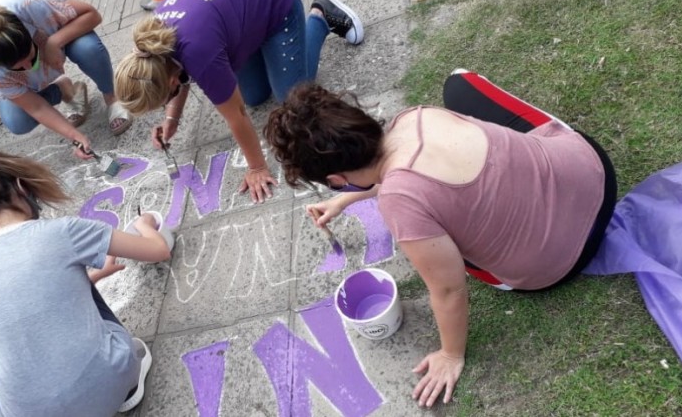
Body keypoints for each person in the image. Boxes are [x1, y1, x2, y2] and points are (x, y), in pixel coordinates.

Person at [263, 71, 617, 407]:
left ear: (336, 178)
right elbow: (414, 170)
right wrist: (349, 199)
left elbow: (448, 289)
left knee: (445, 234)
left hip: (555, 265)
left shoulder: (398, 202)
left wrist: (451, 355)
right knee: (459, 85)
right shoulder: (415, 116)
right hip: (592, 173)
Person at [114, 0, 364, 203]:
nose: (165, 104)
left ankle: (320, 16)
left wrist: (257, 167)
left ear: (169, 83)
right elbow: (175, 73)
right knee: (255, 96)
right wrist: (172, 118)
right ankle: (266, 47)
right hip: (241, 9)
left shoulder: (199, 54)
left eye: (162, 102)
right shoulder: (155, 44)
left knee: (293, 97)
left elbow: (238, 115)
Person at [0, 151, 170, 416]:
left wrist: (94, 277)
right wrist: (144, 223)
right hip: (112, 383)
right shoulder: (63, 231)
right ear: (22, 186)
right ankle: (129, 389)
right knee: (71, 265)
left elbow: (31, 303)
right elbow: (159, 250)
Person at [0, 0, 133, 159]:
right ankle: (66, 90)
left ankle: (112, 96)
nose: (29, 67)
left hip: (59, 38)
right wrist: (74, 135)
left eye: (31, 58)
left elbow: (92, 14)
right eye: (18, 68)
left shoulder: (31, 4)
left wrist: (54, 42)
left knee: (88, 49)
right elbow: (36, 107)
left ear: (29, 37)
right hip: (28, 64)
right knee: (17, 121)